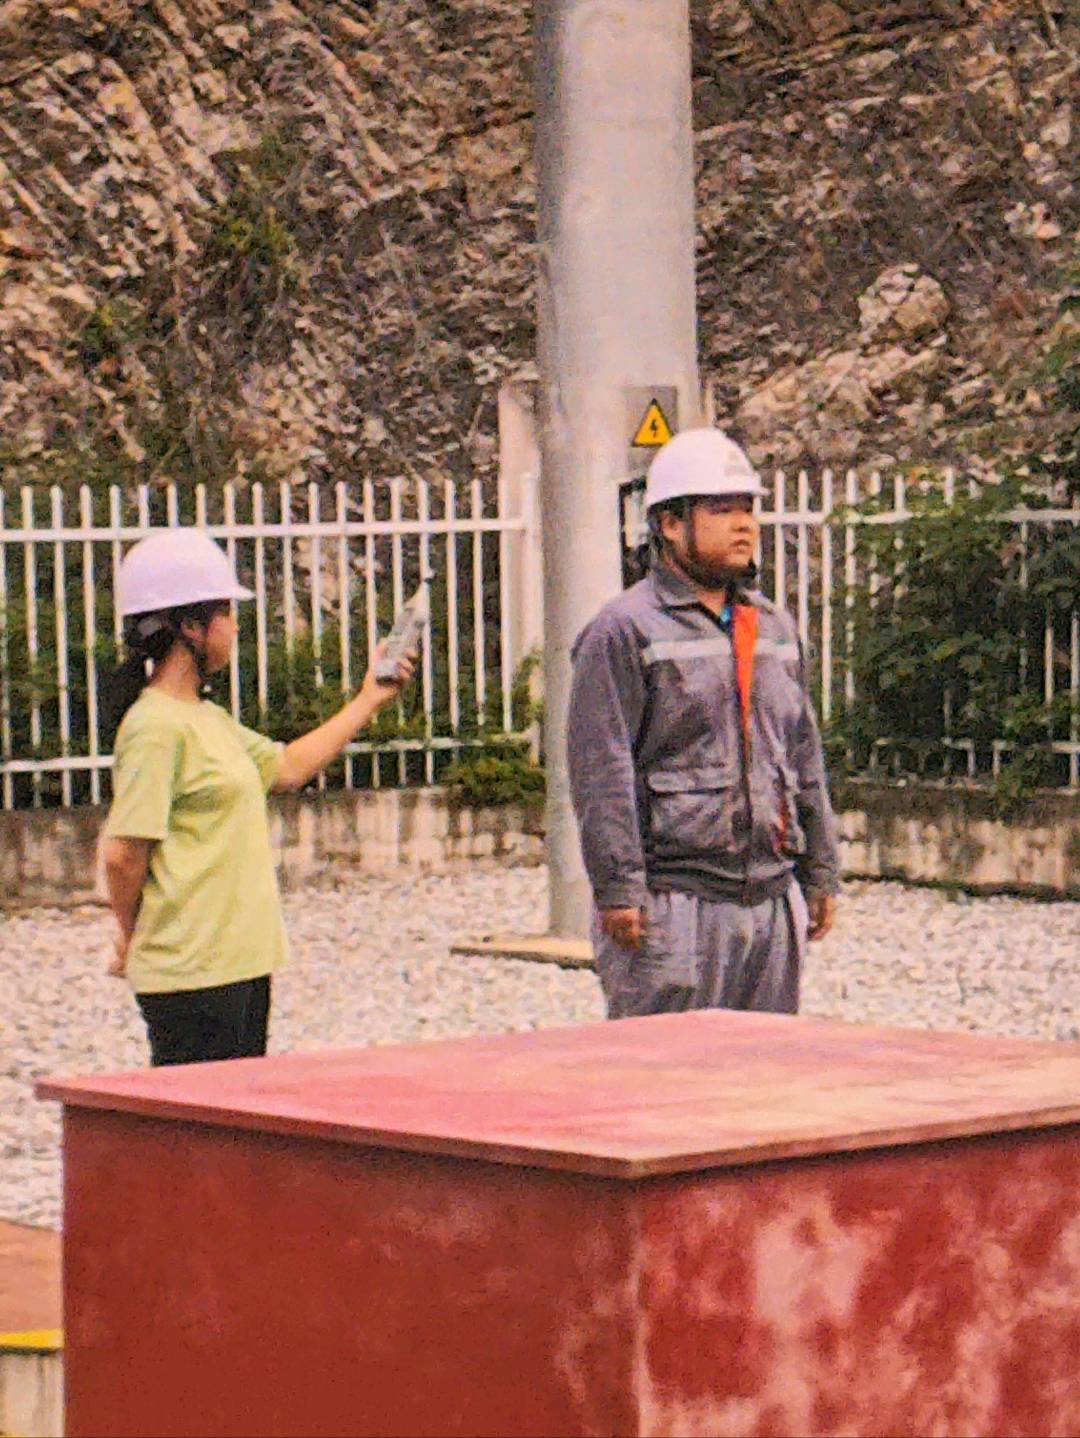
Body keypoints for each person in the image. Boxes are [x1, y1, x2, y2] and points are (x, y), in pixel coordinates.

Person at [101, 527, 414, 1066]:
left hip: (238, 964)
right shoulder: (154, 728)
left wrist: (370, 699)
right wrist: (132, 937)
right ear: (191, 626)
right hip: (192, 972)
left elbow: (287, 767)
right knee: (201, 1117)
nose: (235, 625)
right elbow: (122, 854)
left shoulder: (205, 718)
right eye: (226, 612)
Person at [567, 427, 840, 1019]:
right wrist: (619, 889)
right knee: (663, 1067)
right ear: (670, 524)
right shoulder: (623, 631)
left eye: (748, 509)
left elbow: (802, 755)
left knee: (762, 1068)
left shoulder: (774, 628)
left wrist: (820, 871)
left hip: (770, 898)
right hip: (672, 905)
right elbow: (601, 770)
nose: (744, 525)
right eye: (722, 510)